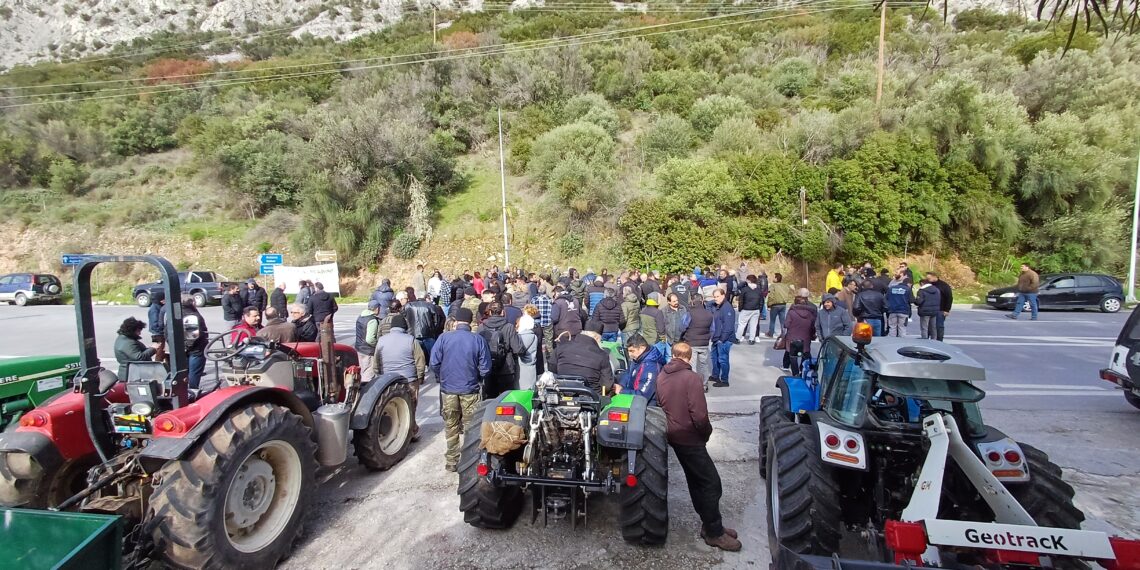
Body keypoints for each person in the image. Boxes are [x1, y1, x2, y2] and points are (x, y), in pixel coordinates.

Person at [655, 342, 741, 552]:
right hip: (690, 438)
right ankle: (714, 533)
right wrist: (706, 433)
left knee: (696, 482)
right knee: (712, 484)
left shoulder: (661, 375)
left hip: (674, 435)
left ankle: (710, 526)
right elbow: (700, 415)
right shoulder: (692, 378)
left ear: (673, 355)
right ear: (689, 357)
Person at [432, 308, 491, 472]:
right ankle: (470, 461)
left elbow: (434, 363)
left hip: (448, 389)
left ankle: (452, 460)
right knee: (471, 427)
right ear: (470, 322)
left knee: (451, 425)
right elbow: (486, 367)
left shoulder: (443, 338)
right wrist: (477, 378)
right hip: (470, 390)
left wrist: (443, 376)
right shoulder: (477, 339)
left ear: (456, 322)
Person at [374, 314, 425, 437]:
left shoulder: (381, 340)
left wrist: (379, 375)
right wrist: (420, 376)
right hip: (409, 380)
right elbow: (420, 360)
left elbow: (376, 362)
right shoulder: (411, 340)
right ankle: (411, 432)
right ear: (405, 326)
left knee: (391, 406)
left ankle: (397, 431)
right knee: (410, 407)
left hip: (388, 380)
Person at [549, 320, 614, 395]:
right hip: (591, 398)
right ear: (597, 338)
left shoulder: (561, 348)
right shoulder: (602, 355)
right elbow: (607, 385)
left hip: (562, 393)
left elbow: (552, 369)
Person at [478, 302, 525, 397]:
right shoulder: (509, 327)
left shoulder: (482, 327)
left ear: (489, 312)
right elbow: (518, 349)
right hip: (506, 368)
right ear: (503, 312)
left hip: (488, 366)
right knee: (507, 399)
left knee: (490, 399)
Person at [617, 334, 664, 404]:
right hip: (632, 396)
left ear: (642, 348)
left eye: (632, 351)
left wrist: (622, 391)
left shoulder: (651, 368)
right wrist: (621, 385)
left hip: (646, 406)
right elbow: (629, 373)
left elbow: (643, 395)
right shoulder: (638, 359)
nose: (629, 355)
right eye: (628, 351)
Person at [782, 289, 817, 373]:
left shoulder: (792, 311)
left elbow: (786, 324)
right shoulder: (812, 310)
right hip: (806, 336)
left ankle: (794, 372)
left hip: (792, 336)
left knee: (792, 354)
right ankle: (803, 368)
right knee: (805, 353)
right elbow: (814, 324)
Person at [682, 297, 714, 386]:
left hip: (692, 342)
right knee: (704, 364)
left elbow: (683, 326)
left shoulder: (689, 313)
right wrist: (707, 338)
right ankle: (705, 384)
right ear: (702, 302)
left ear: (692, 302)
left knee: (693, 366)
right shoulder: (709, 314)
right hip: (704, 344)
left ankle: (694, 385)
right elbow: (712, 329)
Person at [179, 296, 208, 390]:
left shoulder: (174, 313)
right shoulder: (192, 315)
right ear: (191, 303)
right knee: (194, 373)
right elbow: (193, 335)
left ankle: (183, 391)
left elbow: (167, 333)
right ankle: (192, 392)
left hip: (181, 349)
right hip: (196, 349)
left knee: (183, 372)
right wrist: (187, 346)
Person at [709, 289, 735, 388]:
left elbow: (728, 327)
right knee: (714, 357)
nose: (715, 299)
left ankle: (724, 380)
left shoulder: (727, 308)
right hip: (716, 337)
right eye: (714, 297)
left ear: (723, 295)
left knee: (723, 359)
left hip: (724, 339)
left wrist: (722, 339)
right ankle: (715, 375)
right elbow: (708, 305)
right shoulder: (718, 306)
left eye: (718, 296)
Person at [355, 300, 382, 379]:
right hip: (368, 350)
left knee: (362, 370)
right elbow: (370, 339)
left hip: (359, 348)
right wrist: (377, 345)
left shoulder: (361, 316)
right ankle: (367, 390)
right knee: (368, 373)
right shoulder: (372, 320)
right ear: (376, 308)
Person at [518, 306, 541, 390]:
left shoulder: (522, 336)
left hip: (522, 366)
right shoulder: (534, 334)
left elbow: (518, 349)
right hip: (532, 365)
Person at [885, 272, 914, 338]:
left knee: (892, 328)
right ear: (909, 284)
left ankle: (892, 343)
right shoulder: (908, 289)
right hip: (904, 311)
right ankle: (901, 343)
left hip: (892, 311)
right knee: (902, 328)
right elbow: (912, 300)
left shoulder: (891, 288)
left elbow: (886, 298)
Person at [736, 275, 764, 345]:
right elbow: (761, 301)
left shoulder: (744, 289)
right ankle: (751, 339)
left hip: (746, 309)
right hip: (756, 310)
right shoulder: (759, 290)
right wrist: (760, 310)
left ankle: (738, 338)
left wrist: (740, 309)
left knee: (742, 324)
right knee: (753, 325)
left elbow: (741, 300)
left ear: (748, 280)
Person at [766, 273, 794, 338]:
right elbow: (788, 294)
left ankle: (771, 333)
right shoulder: (785, 286)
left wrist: (769, 305)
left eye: (774, 277)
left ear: (776, 278)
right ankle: (783, 333)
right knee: (782, 320)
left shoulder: (773, 286)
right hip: (783, 305)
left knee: (772, 320)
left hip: (775, 305)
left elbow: (771, 296)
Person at [927, 272, 953, 341]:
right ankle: (928, 339)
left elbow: (949, 298)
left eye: (929, 278)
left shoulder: (944, 286)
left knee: (939, 326)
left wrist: (947, 310)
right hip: (930, 309)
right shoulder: (928, 285)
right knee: (929, 326)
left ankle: (939, 340)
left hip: (940, 309)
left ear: (935, 276)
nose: (928, 280)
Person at [147, 289, 167, 361]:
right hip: (158, 334)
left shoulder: (158, 306)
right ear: (161, 300)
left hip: (159, 333)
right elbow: (155, 324)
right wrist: (162, 329)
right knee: (159, 350)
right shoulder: (154, 309)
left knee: (161, 350)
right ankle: (158, 364)